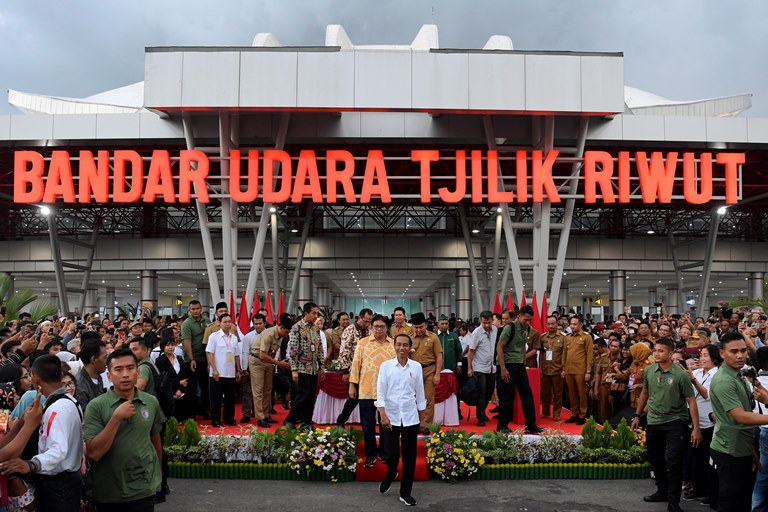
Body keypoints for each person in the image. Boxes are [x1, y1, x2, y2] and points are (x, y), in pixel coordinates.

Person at [83, 348, 164, 511]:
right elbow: (94, 453)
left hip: (144, 489)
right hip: (109, 493)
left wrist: (157, 476)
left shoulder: (151, 402)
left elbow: (155, 440)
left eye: (130, 368)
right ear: (109, 375)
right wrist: (116, 418)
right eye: (118, 370)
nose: (125, 374)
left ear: (138, 372)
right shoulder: (97, 406)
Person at [1, 355, 83, 512]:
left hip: (60, 485)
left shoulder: (57, 408)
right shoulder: (64, 403)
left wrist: (32, 464)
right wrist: (24, 425)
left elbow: (58, 449)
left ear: (35, 379)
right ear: (60, 375)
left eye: (29, 375)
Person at [632, 338, 701, 512]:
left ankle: (673, 501)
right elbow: (645, 393)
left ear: (671, 354)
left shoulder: (680, 375)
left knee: (673, 461)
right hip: (654, 421)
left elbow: (691, 401)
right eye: (655, 350)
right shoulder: (649, 371)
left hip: (675, 422)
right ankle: (662, 491)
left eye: (661, 351)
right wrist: (637, 415)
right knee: (654, 458)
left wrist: (696, 429)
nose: (656, 354)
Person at [708, 332, 768, 512]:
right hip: (729, 451)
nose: (740, 355)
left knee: (742, 500)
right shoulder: (725, 380)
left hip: (741, 448)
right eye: (734, 351)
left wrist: (752, 452)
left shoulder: (739, 375)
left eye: (743, 350)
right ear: (722, 353)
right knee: (730, 502)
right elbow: (740, 417)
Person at [376, 334, 426, 507]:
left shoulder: (417, 367)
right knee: (391, 454)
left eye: (405, 345)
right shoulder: (386, 367)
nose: (402, 348)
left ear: (410, 347)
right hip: (390, 417)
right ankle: (391, 471)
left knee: (410, 457)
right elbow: (380, 392)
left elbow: (420, 393)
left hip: (410, 417)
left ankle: (405, 493)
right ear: (394, 346)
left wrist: (423, 417)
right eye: (398, 345)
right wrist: (382, 414)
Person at [349, 314, 395, 467]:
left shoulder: (394, 344)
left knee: (386, 425)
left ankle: (384, 453)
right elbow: (356, 365)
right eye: (376, 326)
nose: (379, 329)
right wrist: (352, 384)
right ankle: (370, 455)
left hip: (388, 392)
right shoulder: (363, 343)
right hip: (366, 390)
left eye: (382, 326)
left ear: (387, 327)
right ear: (371, 327)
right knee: (367, 426)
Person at [681, 343, 720, 503]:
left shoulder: (717, 375)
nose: (702, 358)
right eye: (701, 355)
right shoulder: (696, 371)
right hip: (693, 421)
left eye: (706, 355)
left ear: (715, 358)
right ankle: (697, 489)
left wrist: (693, 379)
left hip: (709, 421)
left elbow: (706, 395)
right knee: (694, 458)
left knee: (706, 460)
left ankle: (707, 492)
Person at [496, 305, 543, 434]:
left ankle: (530, 425)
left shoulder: (527, 329)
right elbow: (499, 347)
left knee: (527, 394)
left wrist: (523, 363)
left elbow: (523, 346)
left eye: (530, 320)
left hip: (519, 365)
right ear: (519, 316)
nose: (527, 322)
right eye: (525, 319)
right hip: (507, 364)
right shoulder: (509, 327)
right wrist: (503, 368)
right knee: (507, 396)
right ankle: (502, 425)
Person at [285, 303, 324, 429]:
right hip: (302, 368)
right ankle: (290, 420)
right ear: (306, 313)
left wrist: (321, 366)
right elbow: (293, 351)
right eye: (314, 313)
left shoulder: (315, 328)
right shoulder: (297, 328)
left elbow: (320, 349)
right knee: (303, 394)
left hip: (313, 368)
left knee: (311, 396)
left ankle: (307, 421)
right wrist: (294, 369)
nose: (316, 316)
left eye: (317, 313)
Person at [249, 316, 293, 428]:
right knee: (258, 390)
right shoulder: (269, 334)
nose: (287, 334)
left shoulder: (281, 336)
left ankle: (266, 414)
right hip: (257, 362)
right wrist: (279, 364)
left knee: (268, 390)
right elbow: (262, 354)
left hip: (269, 362)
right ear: (281, 327)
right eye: (286, 331)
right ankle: (260, 418)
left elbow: (273, 352)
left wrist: (280, 362)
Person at [335, 309, 372, 426]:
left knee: (365, 399)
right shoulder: (349, 330)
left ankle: (364, 424)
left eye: (370, 322)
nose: (368, 324)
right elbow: (344, 351)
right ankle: (341, 421)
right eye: (366, 321)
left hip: (367, 371)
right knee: (353, 398)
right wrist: (345, 371)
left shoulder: (370, 331)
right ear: (359, 318)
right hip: (352, 370)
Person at [408, 312, 443, 434]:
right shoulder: (409, 338)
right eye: (416, 327)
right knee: (413, 399)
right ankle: (415, 423)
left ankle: (427, 425)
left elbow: (439, 356)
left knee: (428, 399)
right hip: (413, 373)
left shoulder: (433, 338)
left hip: (429, 371)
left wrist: (437, 374)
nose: (418, 330)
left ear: (426, 325)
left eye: (421, 327)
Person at [206, 314, 242, 427]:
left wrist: (238, 370)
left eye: (229, 322)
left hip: (230, 373)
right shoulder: (214, 336)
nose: (227, 324)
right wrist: (214, 369)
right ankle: (216, 419)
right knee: (216, 398)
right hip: (217, 373)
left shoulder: (234, 338)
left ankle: (229, 418)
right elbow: (209, 353)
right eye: (225, 322)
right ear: (219, 323)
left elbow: (236, 355)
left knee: (230, 398)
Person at [180, 300, 211, 419]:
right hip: (192, 360)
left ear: (201, 309)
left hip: (205, 359)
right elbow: (187, 342)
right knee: (191, 388)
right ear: (189, 310)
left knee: (205, 387)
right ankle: (191, 414)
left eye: (197, 308)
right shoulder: (186, 324)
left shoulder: (207, 321)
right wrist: (191, 359)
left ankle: (204, 410)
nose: (195, 311)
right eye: (192, 309)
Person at [467, 311, 497, 427]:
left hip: (492, 367)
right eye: (484, 323)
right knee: (481, 392)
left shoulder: (495, 330)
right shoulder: (477, 333)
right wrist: (469, 368)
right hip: (479, 367)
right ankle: (480, 417)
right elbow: (471, 351)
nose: (486, 325)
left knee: (489, 393)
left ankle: (482, 412)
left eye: (488, 322)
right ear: (481, 321)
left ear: (492, 321)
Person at [562, 316, 594, 425]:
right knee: (572, 393)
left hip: (581, 370)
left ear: (580, 325)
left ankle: (582, 415)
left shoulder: (586, 337)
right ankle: (574, 413)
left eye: (575, 324)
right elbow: (564, 354)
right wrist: (563, 368)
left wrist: (588, 371)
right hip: (569, 370)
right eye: (571, 324)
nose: (573, 326)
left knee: (582, 394)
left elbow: (590, 355)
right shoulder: (567, 337)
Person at [155, 336, 193, 422]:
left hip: (181, 392)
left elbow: (184, 377)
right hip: (168, 392)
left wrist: (180, 389)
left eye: (172, 345)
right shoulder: (160, 360)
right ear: (163, 347)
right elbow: (163, 378)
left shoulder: (179, 358)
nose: (170, 347)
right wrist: (178, 382)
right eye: (168, 345)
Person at [238, 313, 266, 423]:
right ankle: (246, 413)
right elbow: (245, 353)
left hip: (265, 366)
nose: (258, 326)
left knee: (263, 391)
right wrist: (244, 369)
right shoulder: (248, 337)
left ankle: (262, 414)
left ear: (264, 323)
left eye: (260, 323)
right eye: (256, 324)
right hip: (251, 367)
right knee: (248, 391)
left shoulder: (268, 334)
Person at [539, 315, 566, 421]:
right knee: (545, 392)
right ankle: (545, 411)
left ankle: (557, 413)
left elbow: (564, 354)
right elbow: (540, 354)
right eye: (549, 324)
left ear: (557, 324)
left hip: (557, 370)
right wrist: (540, 368)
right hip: (545, 369)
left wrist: (564, 369)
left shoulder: (562, 338)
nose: (550, 326)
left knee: (557, 393)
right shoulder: (543, 337)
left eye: (553, 324)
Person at [75, 339, 107, 412]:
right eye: (105, 357)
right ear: (94, 359)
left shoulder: (98, 377)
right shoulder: (80, 386)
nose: (107, 361)